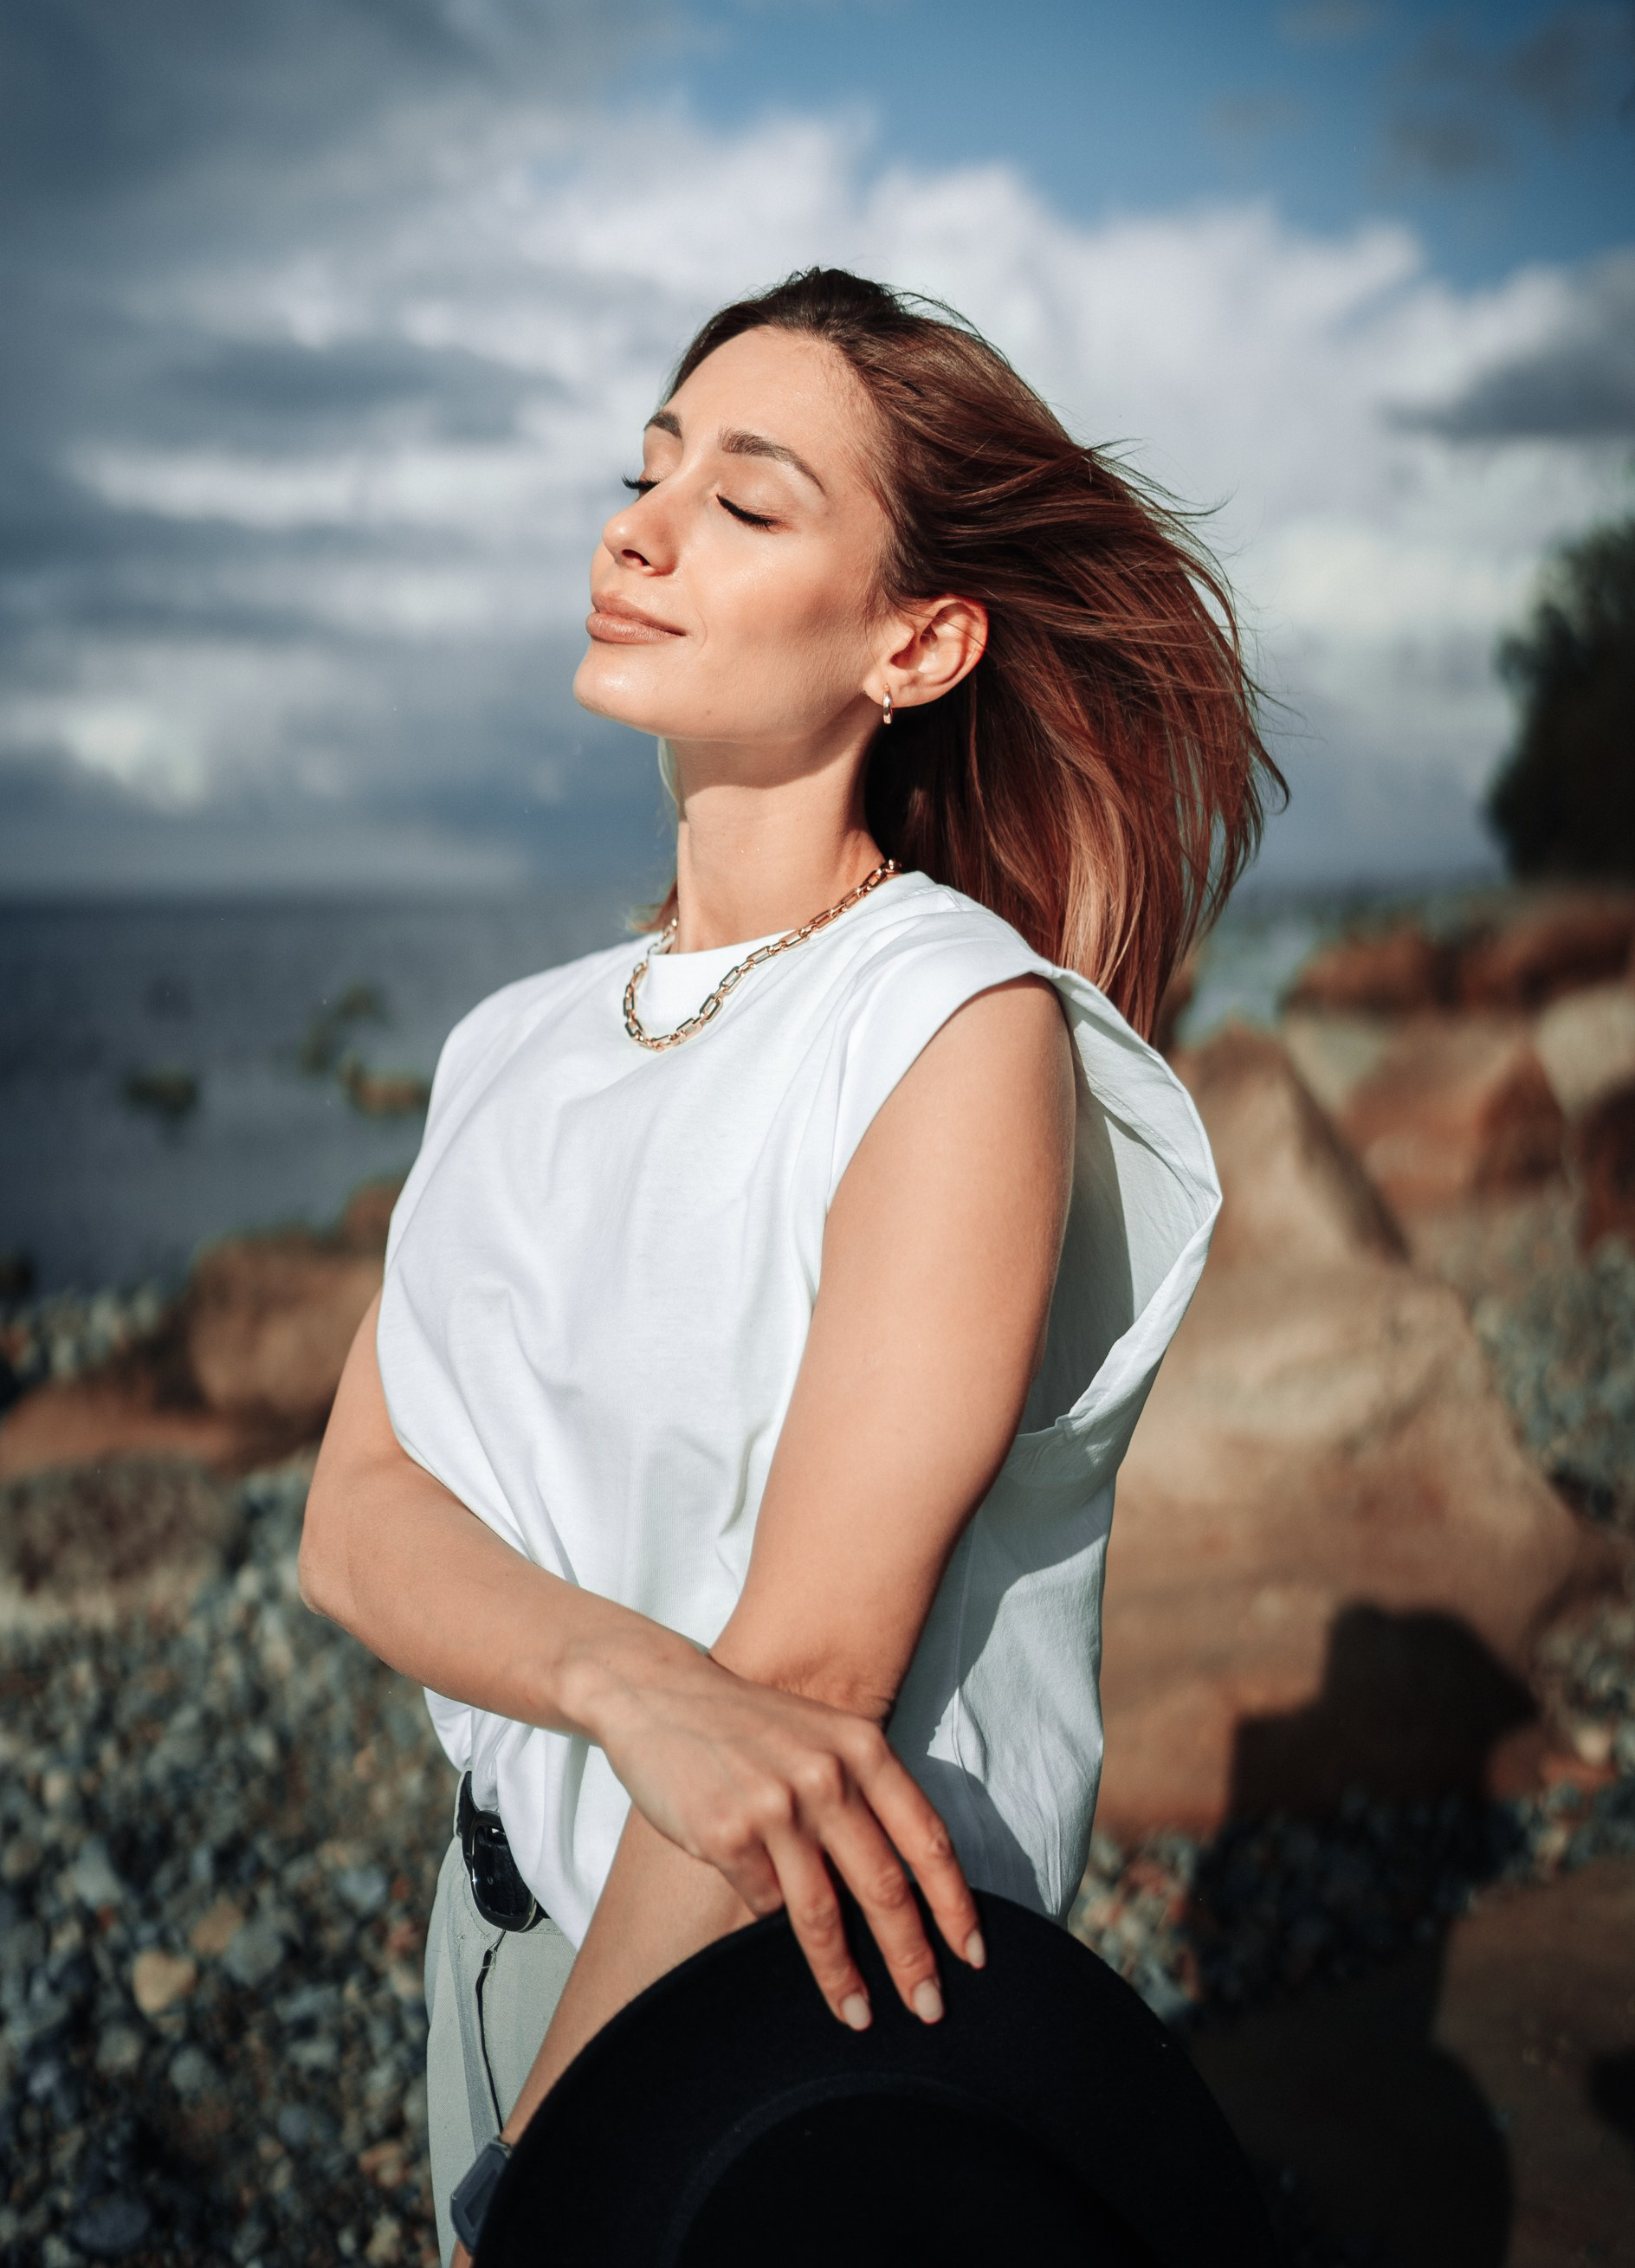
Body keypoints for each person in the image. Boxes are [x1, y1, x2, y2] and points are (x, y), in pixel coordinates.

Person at [298, 267, 1278, 2265]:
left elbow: (814, 1675)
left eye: (745, 504)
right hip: (493, 1929)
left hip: (782, 2009)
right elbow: (356, 1517)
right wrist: (628, 1685)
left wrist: (558, 2189)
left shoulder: (944, 1020)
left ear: (915, 641)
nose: (636, 529)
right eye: (645, 473)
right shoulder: (513, 1041)